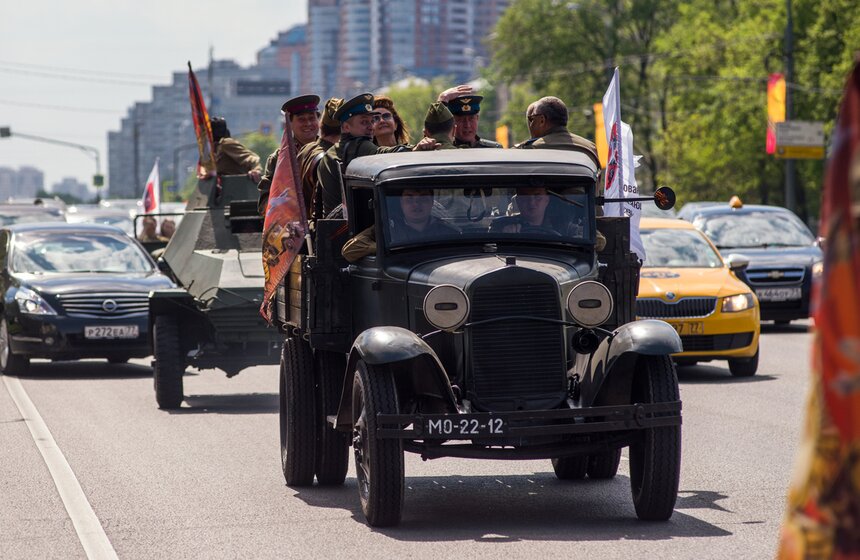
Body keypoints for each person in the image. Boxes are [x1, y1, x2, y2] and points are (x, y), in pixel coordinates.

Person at [317, 93, 439, 218]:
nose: (371, 127)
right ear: (346, 127)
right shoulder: (359, 145)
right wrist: (415, 149)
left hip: (333, 228)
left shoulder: (329, 154)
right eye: (364, 122)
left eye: (371, 121)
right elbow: (384, 154)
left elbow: (318, 201)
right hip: (353, 228)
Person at [342, 188, 455, 262]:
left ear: (431, 202)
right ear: (401, 203)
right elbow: (349, 251)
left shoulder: (447, 231)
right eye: (409, 199)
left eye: (423, 199)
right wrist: (384, 248)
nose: (416, 204)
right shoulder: (388, 227)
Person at [257, 94, 321, 216]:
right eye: (301, 119)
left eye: (312, 118)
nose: (308, 123)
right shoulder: (280, 158)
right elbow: (265, 201)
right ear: (289, 124)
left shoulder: (328, 152)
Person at [514, 96, 600, 167]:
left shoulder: (532, 149)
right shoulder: (590, 148)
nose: (531, 124)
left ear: (542, 120)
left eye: (531, 119)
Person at [210, 117, 262, 181]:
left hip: (238, 186)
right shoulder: (213, 150)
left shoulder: (225, 143)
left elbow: (253, 158)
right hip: (224, 187)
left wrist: (255, 170)